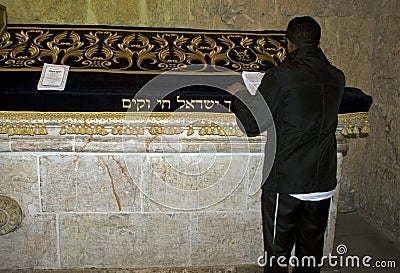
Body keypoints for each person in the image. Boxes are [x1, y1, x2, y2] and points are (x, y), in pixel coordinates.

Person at [230, 16, 345, 273]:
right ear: (317, 42)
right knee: (311, 255)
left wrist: (238, 92)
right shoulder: (337, 76)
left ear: (288, 42)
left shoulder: (280, 76)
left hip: (287, 182)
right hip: (322, 181)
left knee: (278, 255)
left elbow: (251, 124)